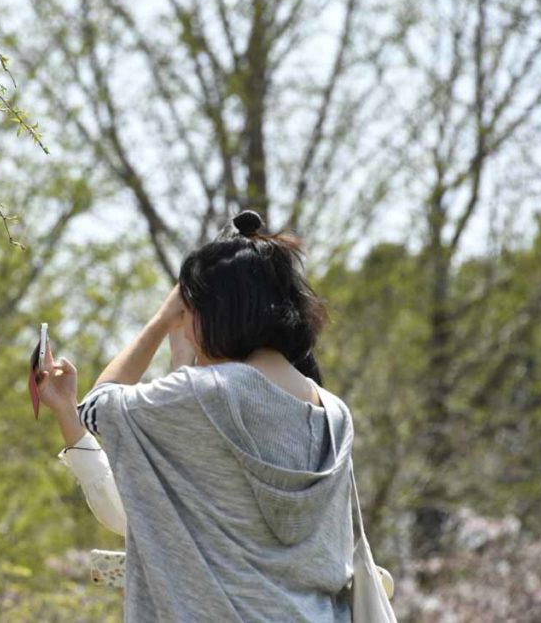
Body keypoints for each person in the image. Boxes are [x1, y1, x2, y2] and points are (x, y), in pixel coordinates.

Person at [36, 210, 356, 622]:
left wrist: (159, 323)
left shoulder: (204, 393)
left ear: (217, 311)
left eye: (189, 315)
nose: (186, 330)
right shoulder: (334, 414)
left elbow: (98, 406)